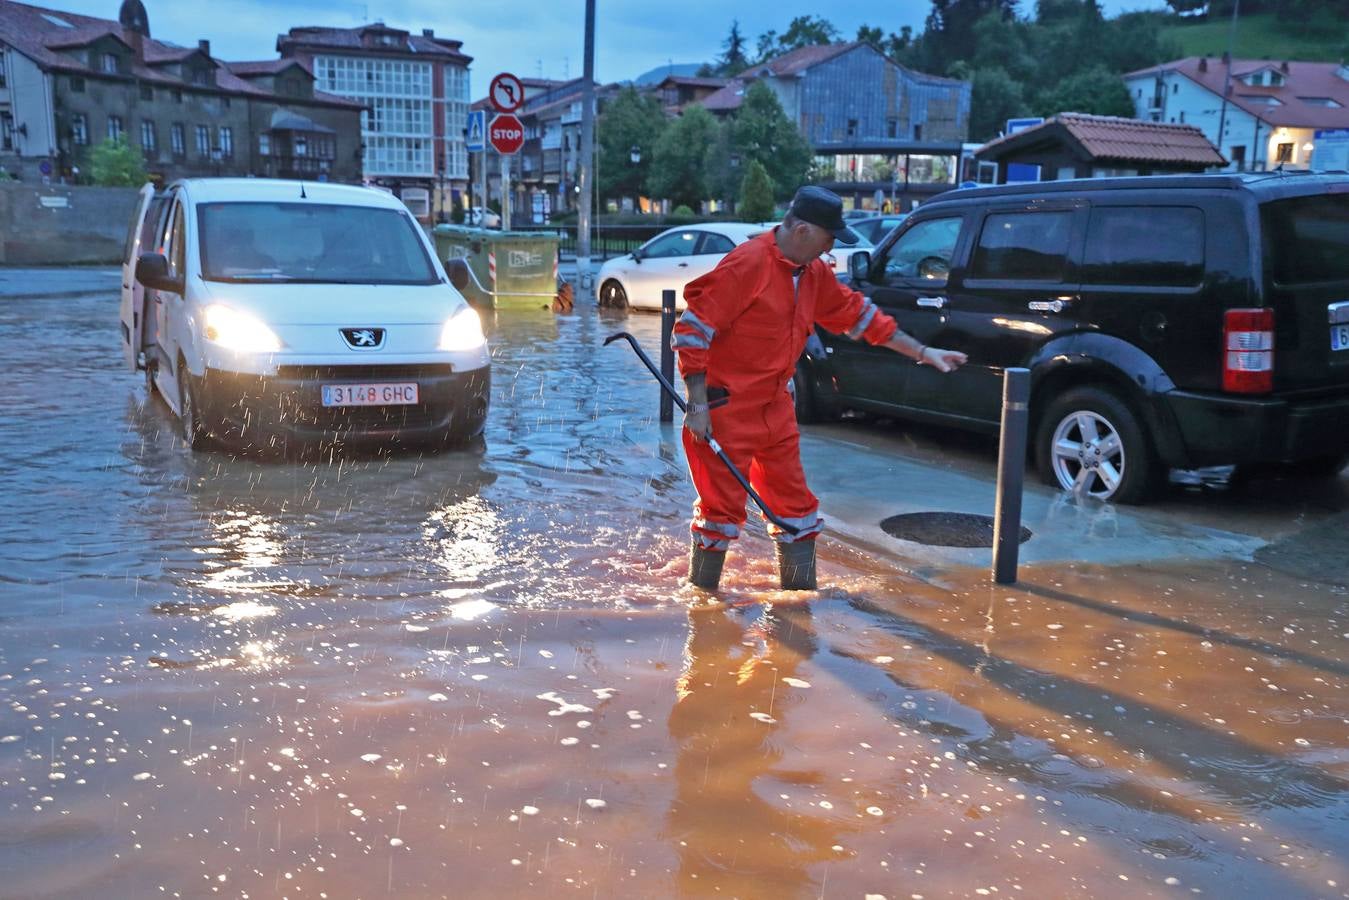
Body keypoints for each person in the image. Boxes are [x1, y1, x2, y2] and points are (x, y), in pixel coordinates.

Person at [671, 185, 967, 592]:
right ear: (804, 231)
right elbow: (691, 332)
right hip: (725, 411)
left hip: (775, 407)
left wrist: (922, 351)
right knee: (720, 515)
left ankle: (799, 608)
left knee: (796, 510)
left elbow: (860, 317)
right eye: (829, 241)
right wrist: (697, 403)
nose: (830, 252)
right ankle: (703, 607)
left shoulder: (813, 274)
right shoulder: (747, 265)